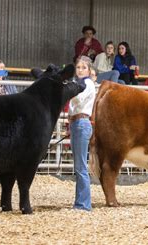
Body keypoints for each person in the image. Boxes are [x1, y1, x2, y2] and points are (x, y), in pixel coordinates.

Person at [68, 56, 96, 211]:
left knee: (81, 167)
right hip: (75, 123)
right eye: (78, 67)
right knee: (79, 166)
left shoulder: (87, 84)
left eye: (83, 67)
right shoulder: (77, 83)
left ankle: (83, 204)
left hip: (81, 123)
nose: (80, 70)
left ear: (89, 70)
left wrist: (68, 93)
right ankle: (80, 202)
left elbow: (77, 100)